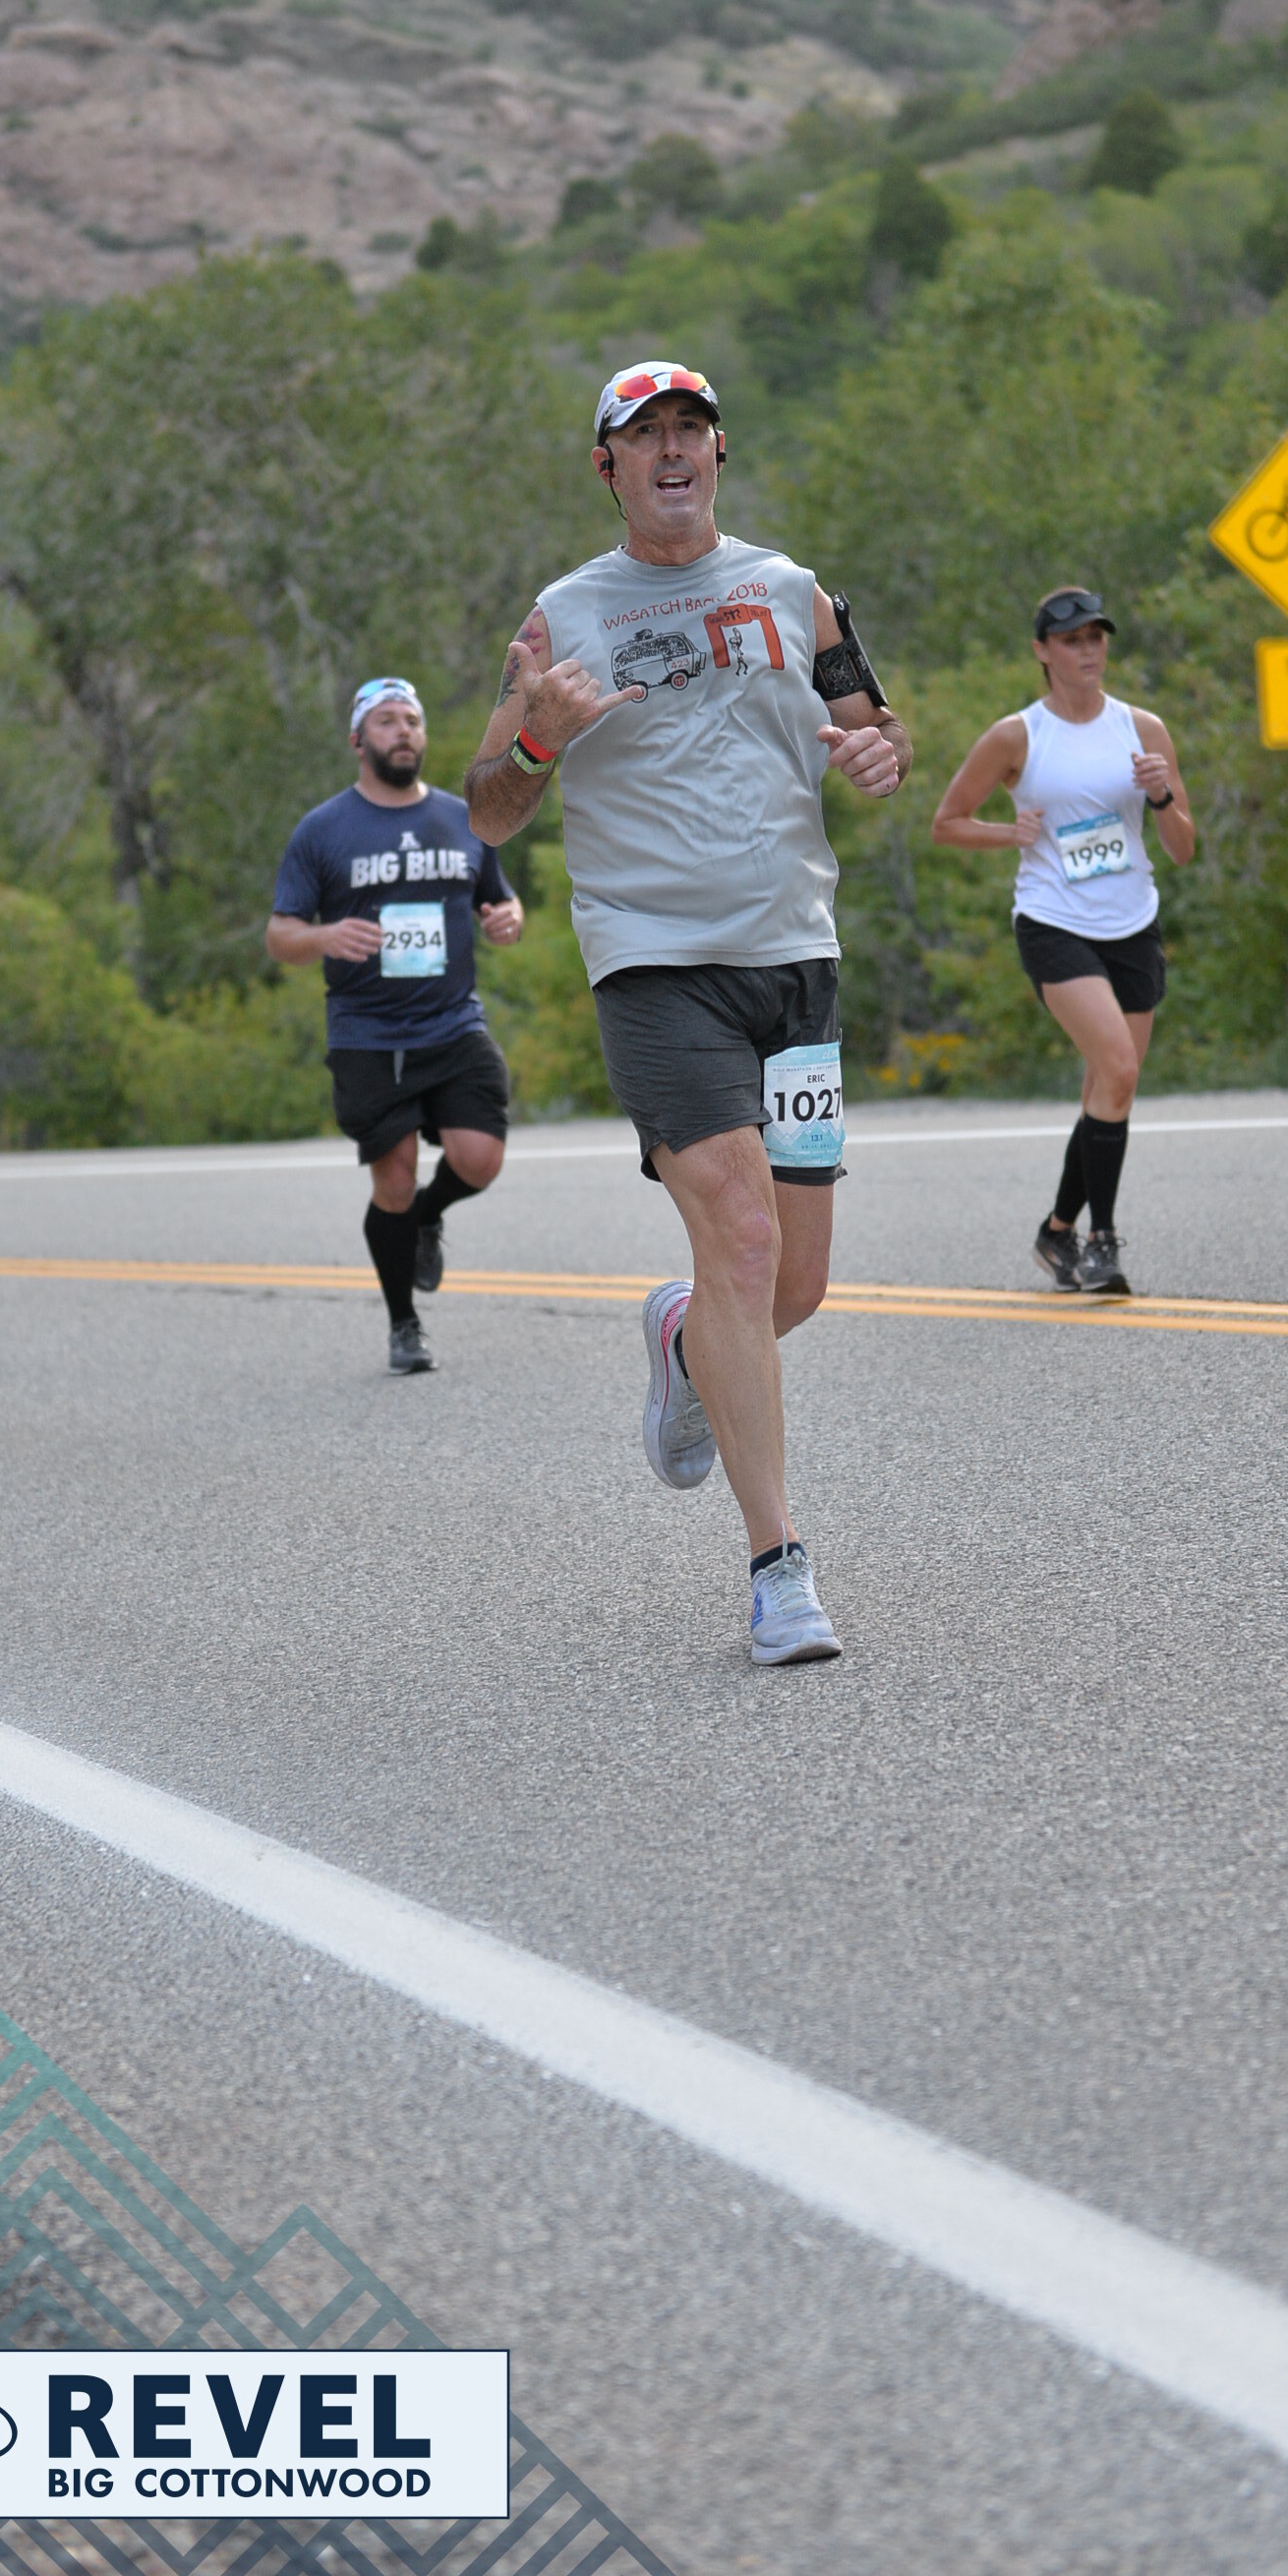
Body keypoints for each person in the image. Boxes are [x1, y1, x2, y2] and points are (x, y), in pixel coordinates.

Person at [464, 359, 910, 1666]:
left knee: (792, 1283)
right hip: (656, 963)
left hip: (794, 955)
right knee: (744, 1234)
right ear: (606, 467)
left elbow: (874, 727)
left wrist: (881, 752)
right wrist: (536, 738)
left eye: (691, 432)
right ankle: (781, 1571)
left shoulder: (793, 591)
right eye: (644, 435)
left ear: (719, 453)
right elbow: (485, 809)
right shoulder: (561, 618)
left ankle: (682, 1332)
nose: (671, 452)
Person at [930, 586, 1194, 1295]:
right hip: (1054, 922)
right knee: (1119, 1069)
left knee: (1110, 1087)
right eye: (1072, 640)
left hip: (1132, 922)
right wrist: (1007, 833)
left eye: (1096, 637)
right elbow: (947, 822)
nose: (1087, 650)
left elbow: (1182, 848)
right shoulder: (1017, 736)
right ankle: (1102, 1242)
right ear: (1042, 651)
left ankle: (1056, 1232)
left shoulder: (1143, 729)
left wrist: (1163, 795)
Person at [268, 678, 524, 1374]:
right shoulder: (323, 830)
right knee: (395, 1180)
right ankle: (403, 1324)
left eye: (411, 719)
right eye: (385, 720)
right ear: (358, 740)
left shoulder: (462, 818)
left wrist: (508, 918)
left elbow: (500, 902)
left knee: (480, 1159)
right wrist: (323, 937)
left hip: (453, 1023)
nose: (402, 730)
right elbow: (279, 935)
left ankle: (427, 1218)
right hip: (368, 1033)